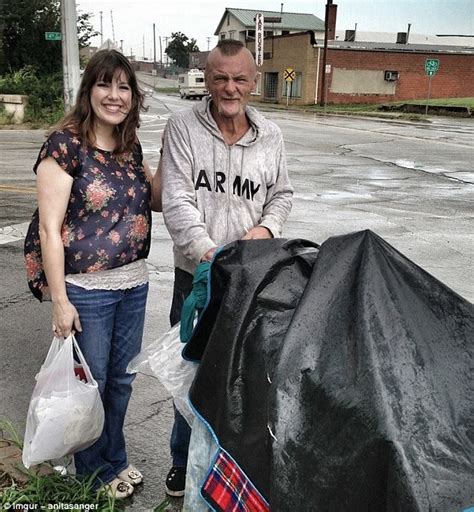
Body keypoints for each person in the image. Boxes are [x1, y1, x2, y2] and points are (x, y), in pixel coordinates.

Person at [24, 49, 161, 499]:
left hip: (133, 283)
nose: (115, 95)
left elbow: (154, 197)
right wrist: (60, 301)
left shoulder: (130, 146)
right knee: (92, 383)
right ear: (89, 90)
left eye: (124, 87)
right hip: (87, 289)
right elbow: (49, 229)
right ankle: (92, 473)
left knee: (122, 381)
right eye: (105, 84)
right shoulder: (63, 146)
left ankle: (114, 459)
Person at [161, 39, 293, 497]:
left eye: (239, 78)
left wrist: (265, 232)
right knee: (191, 374)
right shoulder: (183, 127)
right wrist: (209, 255)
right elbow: (175, 198)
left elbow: (281, 195)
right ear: (207, 78)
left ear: (254, 81)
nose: (230, 87)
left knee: (242, 379)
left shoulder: (271, 135)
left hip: (253, 278)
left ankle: (230, 471)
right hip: (196, 278)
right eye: (220, 78)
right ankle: (182, 463)